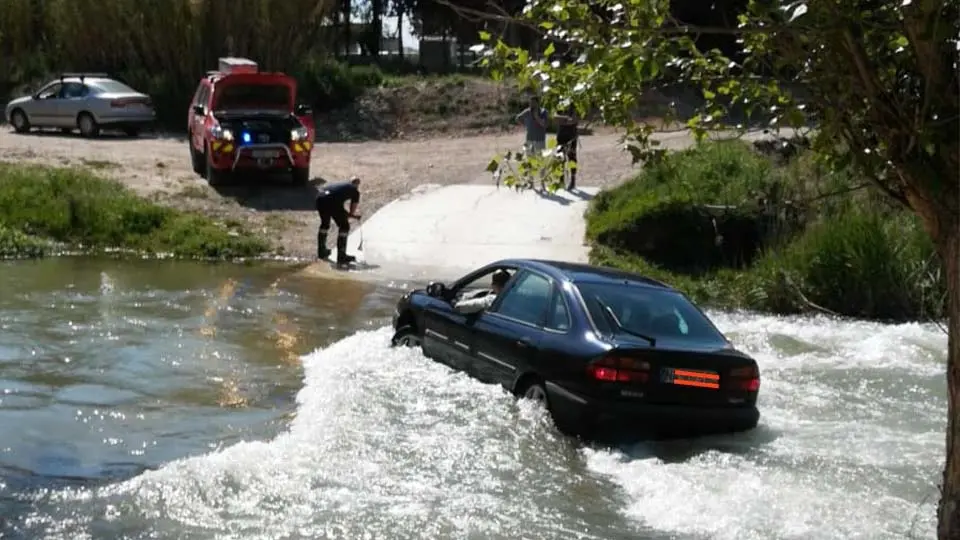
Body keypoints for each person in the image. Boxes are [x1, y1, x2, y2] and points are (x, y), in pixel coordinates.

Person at [315, 176, 362, 265]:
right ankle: (341, 256)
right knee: (344, 226)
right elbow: (352, 208)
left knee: (325, 224)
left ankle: (321, 252)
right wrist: (352, 215)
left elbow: (339, 209)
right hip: (332, 202)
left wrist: (349, 215)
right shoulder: (354, 191)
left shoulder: (340, 186)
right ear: (357, 184)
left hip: (320, 198)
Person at [555, 104, 580, 190]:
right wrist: (567, 119)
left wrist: (563, 120)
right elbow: (555, 118)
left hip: (571, 137)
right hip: (561, 137)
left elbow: (574, 120)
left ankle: (573, 181)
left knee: (572, 159)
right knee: (560, 159)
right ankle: (561, 180)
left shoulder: (574, 108)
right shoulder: (560, 106)